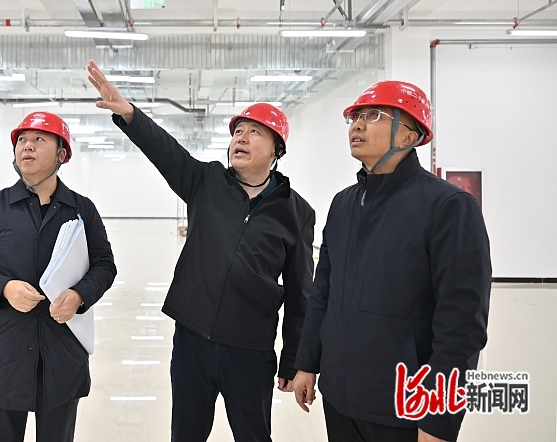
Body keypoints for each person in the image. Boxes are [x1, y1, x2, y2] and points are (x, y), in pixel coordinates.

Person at [87, 60, 315, 442]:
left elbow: (300, 293)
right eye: (237, 131)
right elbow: (165, 151)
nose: (241, 138)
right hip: (192, 342)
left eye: (254, 132)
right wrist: (129, 114)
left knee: (254, 436)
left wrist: (295, 359)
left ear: (277, 148)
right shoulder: (206, 181)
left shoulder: (297, 212)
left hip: (250, 350)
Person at [291, 81, 492, 442]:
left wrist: (440, 417)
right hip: (338, 396)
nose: (357, 125)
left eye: (373, 115)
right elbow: (322, 292)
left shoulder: (448, 207)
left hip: (402, 405)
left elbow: (461, 323)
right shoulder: (343, 204)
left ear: (409, 135)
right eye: (355, 117)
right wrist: (307, 362)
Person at [0, 111, 116, 442]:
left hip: (62, 351)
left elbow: (104, 265)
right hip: (6, 350)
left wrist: (80, 295)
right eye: (22, 140)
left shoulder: (81, 209)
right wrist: (4, 287)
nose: (27, 146)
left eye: (39, 139)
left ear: (61, 154)